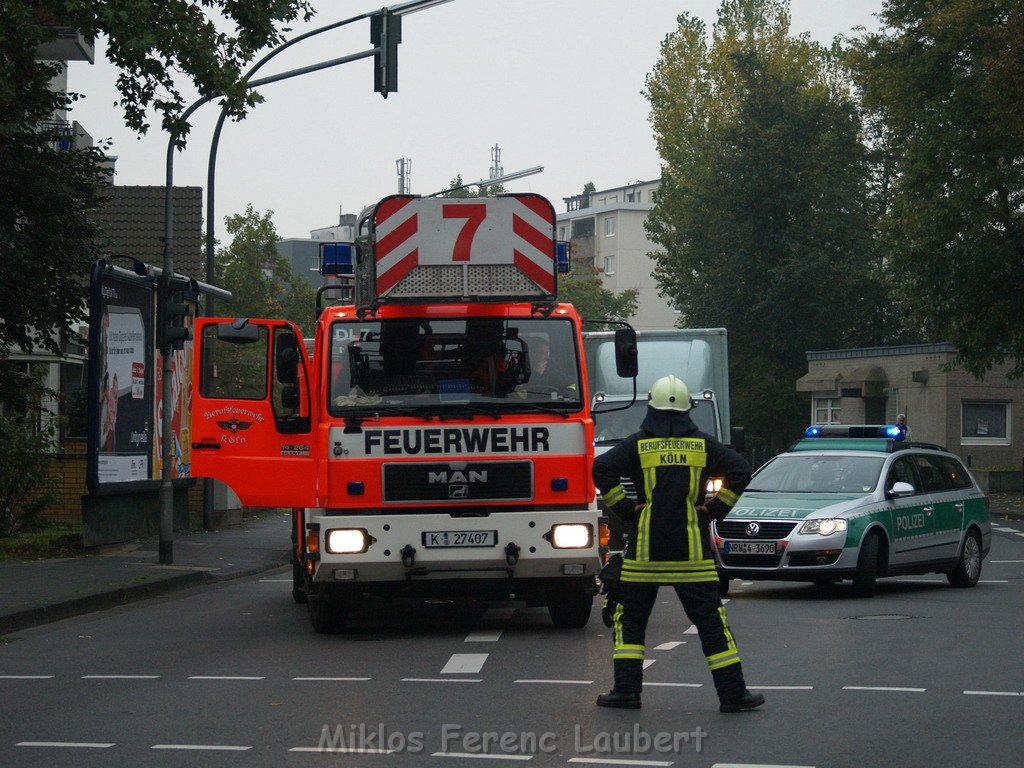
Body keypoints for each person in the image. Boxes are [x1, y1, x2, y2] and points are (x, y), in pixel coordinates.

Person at [592, 374, 764, 713]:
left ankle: (627, 692)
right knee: (711, 623)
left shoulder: (637, 445)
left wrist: (627, 508)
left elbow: (602, 469)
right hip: (692, 557)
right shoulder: (703, 445)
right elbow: (741, 471)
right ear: (688, 410)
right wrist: (713, 509)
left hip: (644, 557)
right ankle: (733, 694)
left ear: (651, 409)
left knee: (631, 622)